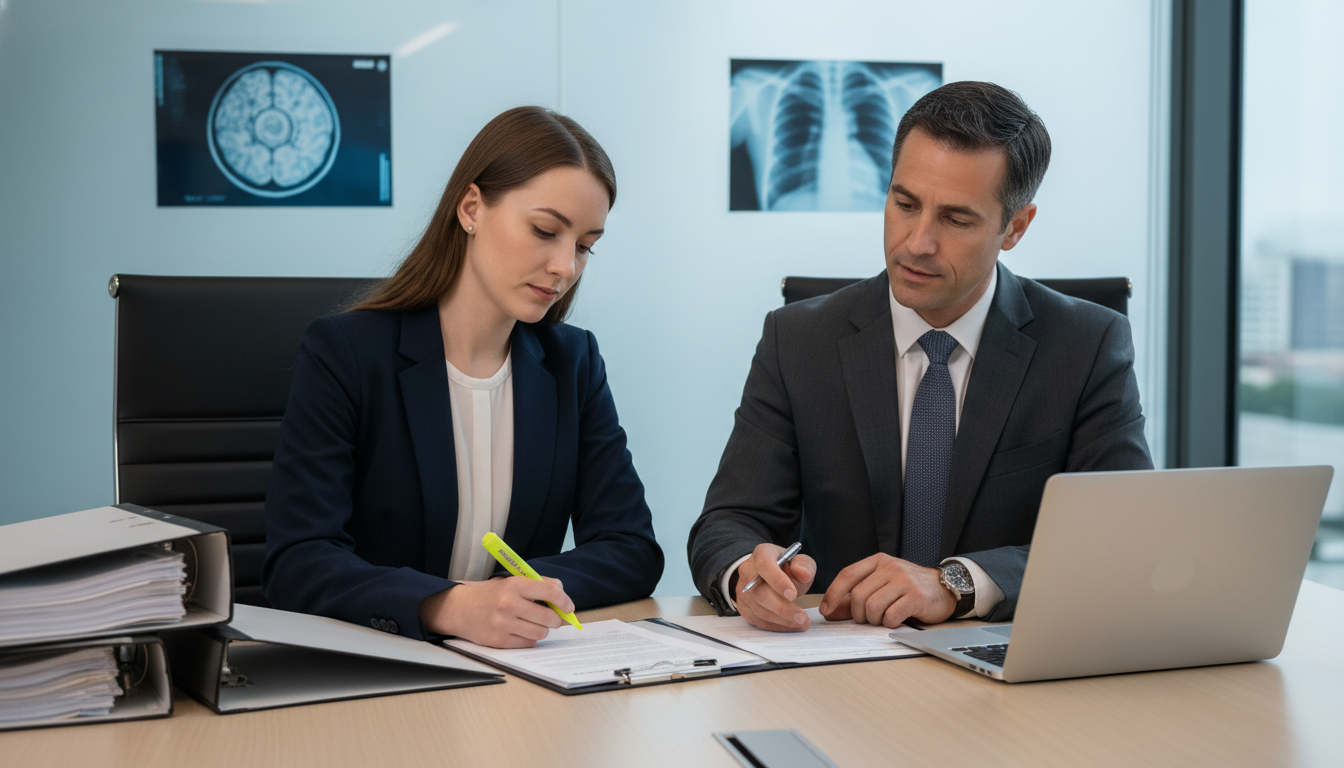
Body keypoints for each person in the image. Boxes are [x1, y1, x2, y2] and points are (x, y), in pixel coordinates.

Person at [688, 81, 1153, 632]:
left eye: (955, 219)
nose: (917, 243)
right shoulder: (798, 340)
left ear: (1015, 227)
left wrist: (958, 583)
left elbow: (1123, 542)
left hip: (1006, 658)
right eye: (904, 204)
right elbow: (729, 521)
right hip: (840, 658)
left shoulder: (1087, 345)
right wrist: (747, 572)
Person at [263, 106, 664, 648]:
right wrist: (447, 605)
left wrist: (510, 598)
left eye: (584, 246)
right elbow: (298, 561)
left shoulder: (573, 362)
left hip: (514, 670)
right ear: (472, 208)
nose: (565, 267)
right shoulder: (347, 352)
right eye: (545, 231)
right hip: (379, 665)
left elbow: (631, 548)